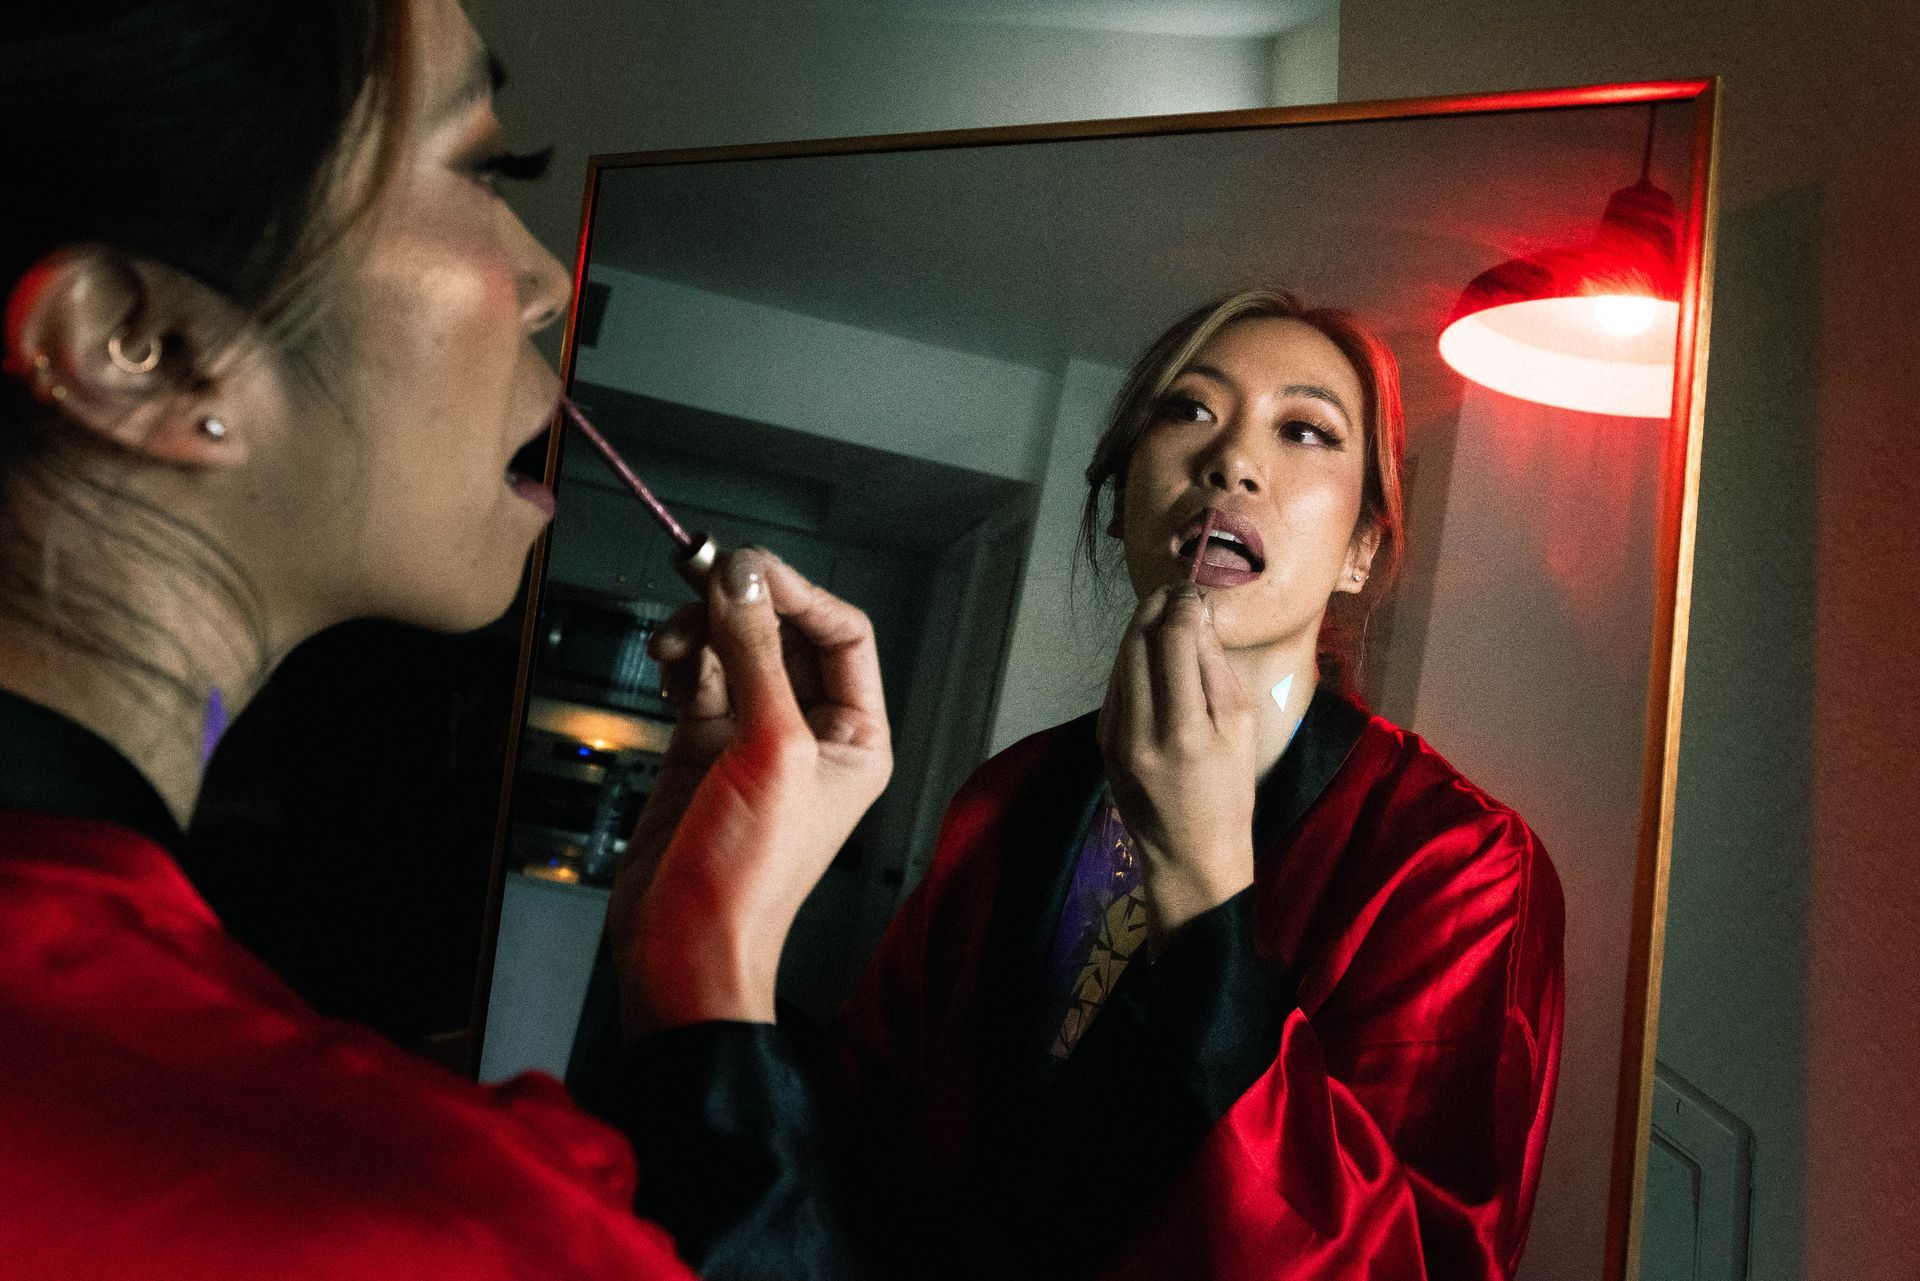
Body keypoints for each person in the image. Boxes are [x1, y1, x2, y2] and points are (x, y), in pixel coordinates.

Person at [0, 3, 886, 1278]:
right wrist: (716, 973)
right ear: (140, 350)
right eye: (484, 166)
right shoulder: (420, 1220)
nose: (547, 280)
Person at [818, 289, 1567, 1279]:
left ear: (1362, 549)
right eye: (1189, 411)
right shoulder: (1008, 795)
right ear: (1124, 497)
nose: (1233, 461)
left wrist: (1206, 898)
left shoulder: (1458, 864)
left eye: (1305, 430)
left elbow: (1414, 1263)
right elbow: (867, 1119)